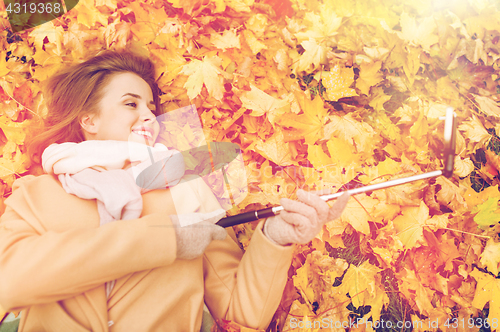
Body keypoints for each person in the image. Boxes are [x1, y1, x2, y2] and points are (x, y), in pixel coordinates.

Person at [0, 50, 350, 332]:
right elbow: (9, 282)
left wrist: (276, 237)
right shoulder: (36, 195)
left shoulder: (190, 192)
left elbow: (242, 310)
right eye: (131, 104)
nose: (149, 116)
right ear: (89, 120)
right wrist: (165, 239)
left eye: (152, 108)